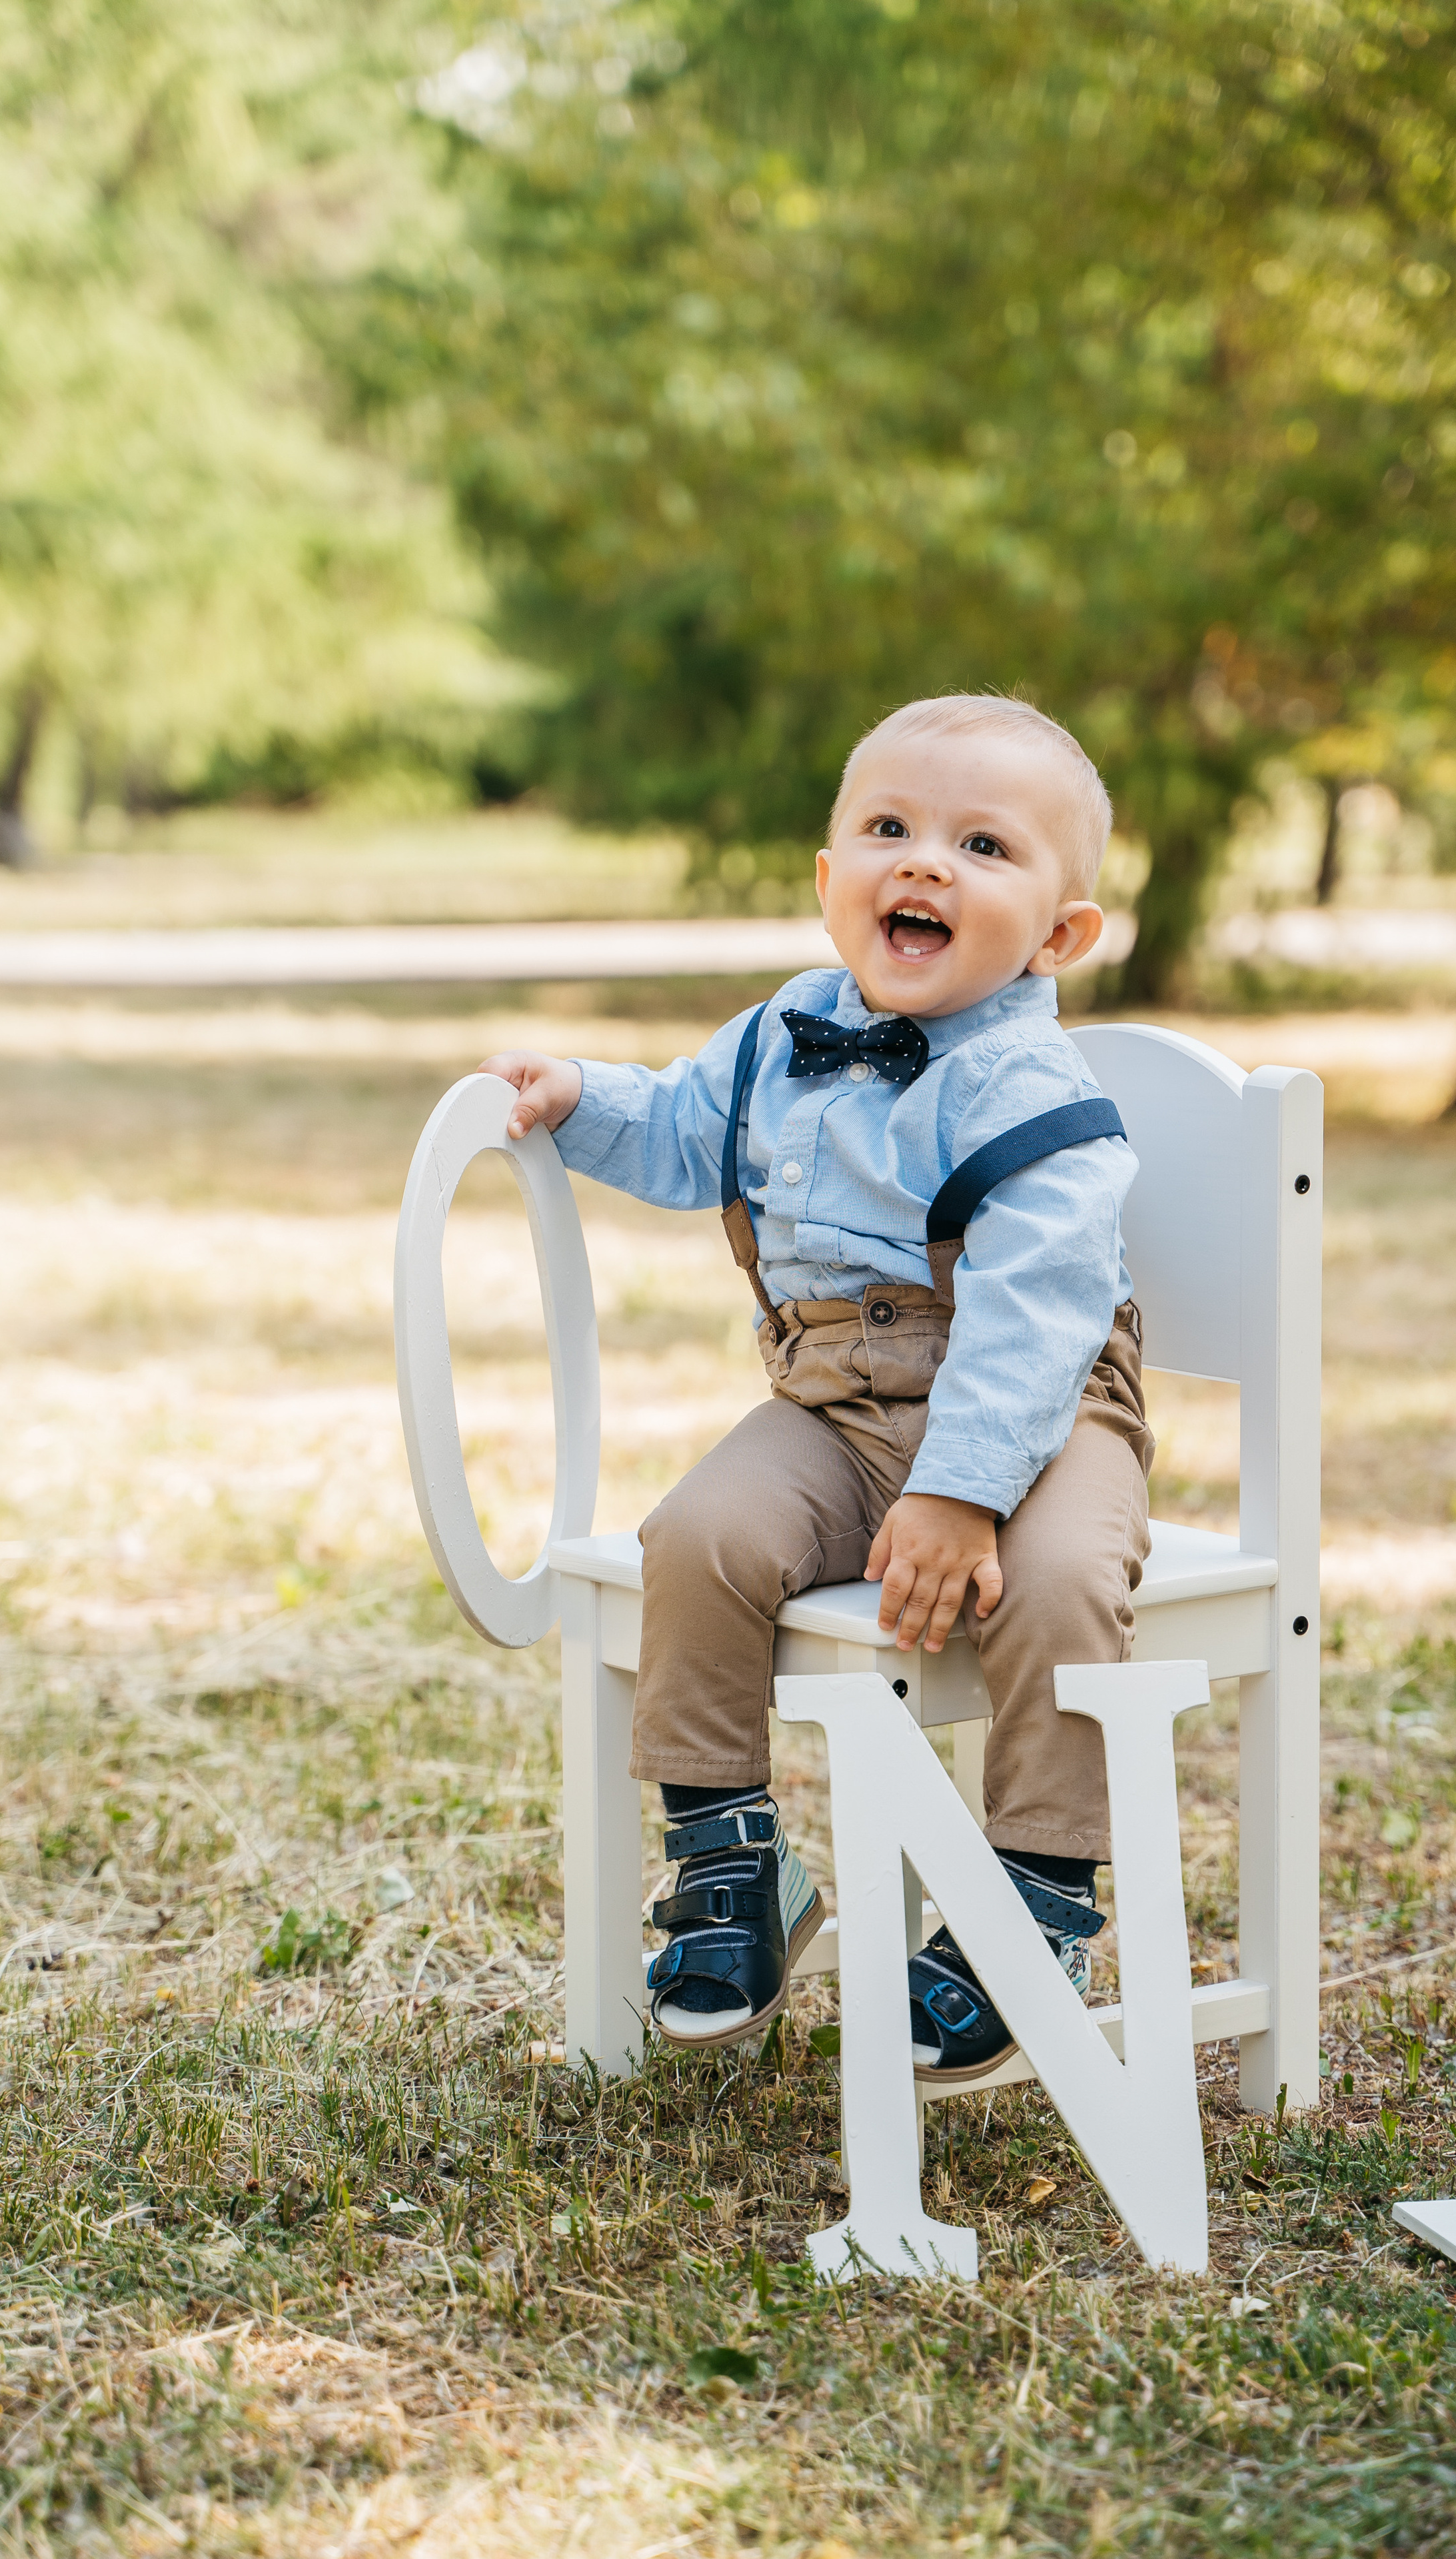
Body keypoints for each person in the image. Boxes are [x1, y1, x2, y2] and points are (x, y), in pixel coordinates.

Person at [480, 694, 1153, 2086]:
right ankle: (733, 1864)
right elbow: (677, 1133)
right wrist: (577, 1094)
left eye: (980, 844)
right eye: (887, 829)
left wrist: (964, 1496)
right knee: (700, 1538)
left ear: (1059, 933)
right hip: (834, 1406)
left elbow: (1032, 1319)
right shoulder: (782, 1031)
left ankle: (1034, 1903)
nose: (921, 864)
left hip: (1036, 1409)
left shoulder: (1032, 1086)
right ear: (827, 877)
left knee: (1062, 1582)